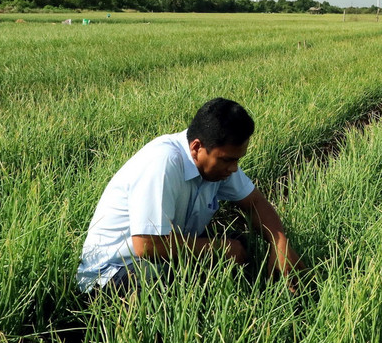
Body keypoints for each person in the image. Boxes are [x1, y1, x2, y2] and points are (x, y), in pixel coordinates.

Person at [76, 98, 303, 295]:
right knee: (159, 297)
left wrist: (280, 243)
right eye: (227, 160)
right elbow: (146, 245)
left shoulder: (218, 163)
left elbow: (254, 202)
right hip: (113, 272)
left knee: (246, 244)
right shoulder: (162, 162)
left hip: (165, 252)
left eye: (237, 160)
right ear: (196, 147)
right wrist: (219, 249)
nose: (233, 169)